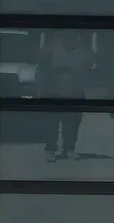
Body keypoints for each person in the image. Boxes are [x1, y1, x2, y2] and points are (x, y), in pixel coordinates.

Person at [37, 31, 92, 160]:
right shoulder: (51, 46)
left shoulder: (83, 49)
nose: (72, 37)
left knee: (72, 123)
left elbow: (90, 66)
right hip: (53, 92)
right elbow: (41, 66)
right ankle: (50, 150)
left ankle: (69, 149)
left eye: (75, 35)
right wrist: (41, 88)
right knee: (51, 124)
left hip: (75, 93)